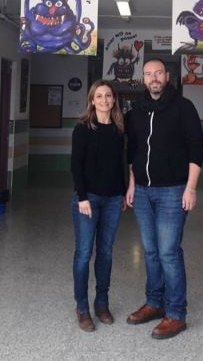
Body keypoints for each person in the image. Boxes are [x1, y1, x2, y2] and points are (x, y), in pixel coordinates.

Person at [125, 59, 203, 340]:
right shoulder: (136, 110)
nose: (154, 78)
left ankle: (176, 314)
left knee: (168, 252)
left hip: (174, 191)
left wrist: (191, 188)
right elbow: (132, 151)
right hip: (144, 192)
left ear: (167, 76)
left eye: (158, 73)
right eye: (148, 74)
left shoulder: (183, 108)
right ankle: (154, 303)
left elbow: (197, 148)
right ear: (144, 79)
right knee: (149, 251)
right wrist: (132, 184)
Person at [70, 80, 126, 333]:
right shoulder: (82, 129)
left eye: (108, 96)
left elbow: (120, 164)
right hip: (88, 198)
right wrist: (82, 198)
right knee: (84, 253)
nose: (104, 100)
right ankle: (82, 307)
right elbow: (75, 166)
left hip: (114, 199)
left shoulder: (118, 129)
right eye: (99, 96)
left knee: (105, 253)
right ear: (92, 101)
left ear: (114, 100)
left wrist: (123, 193)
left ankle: (101, 303)